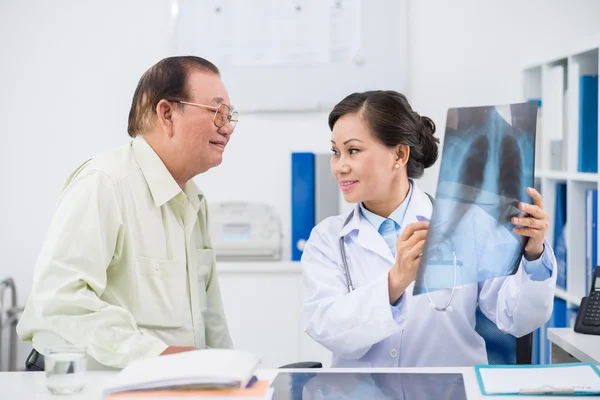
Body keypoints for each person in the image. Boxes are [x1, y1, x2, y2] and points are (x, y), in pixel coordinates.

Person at [301, 90, 557, 367]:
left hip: (450, 391)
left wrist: (534, 254)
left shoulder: (469, 224)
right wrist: (394, 281)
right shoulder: (327, 238)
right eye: (335, 152)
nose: (340, 166)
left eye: (353, 150)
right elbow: (326, 328)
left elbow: (517, 318)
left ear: (399, 154)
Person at [18, 56, 238, 370]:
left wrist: (228, 372)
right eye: (217, 113)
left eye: (230, 116)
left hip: (174, 385)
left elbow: (211, 320)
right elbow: (58, 303)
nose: (227, 127)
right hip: (102, 387)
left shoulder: (194, 201)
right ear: (167, 113)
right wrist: (155, 357)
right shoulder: (104, 184)